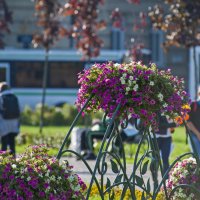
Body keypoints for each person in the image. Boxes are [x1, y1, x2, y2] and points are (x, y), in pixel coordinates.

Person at [150, 114, 177, 189]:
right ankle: (155, 182)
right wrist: (172, 124)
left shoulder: (171, 110)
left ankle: (166, 183)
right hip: (155, 138)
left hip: (167, 138)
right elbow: (158, 124)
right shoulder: (156, 108)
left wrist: (174, 125)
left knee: (165, 160)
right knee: (155, 160)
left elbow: (172, 129)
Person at [0, 82, 20, 157]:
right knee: (12, 142)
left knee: (4, 142)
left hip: (4, 122)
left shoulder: (1, 97)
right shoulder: (14, 97)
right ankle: (13, 159)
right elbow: (19, 110)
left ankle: (3, 160)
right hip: (14, 122)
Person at [187, 86, 200, 157]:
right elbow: (188, 122)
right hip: (194, 134)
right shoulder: (193, 105)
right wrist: (198, 134)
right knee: (197, 156)